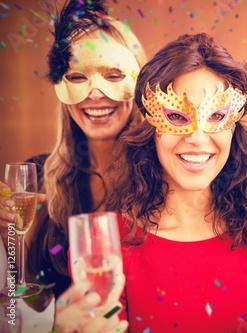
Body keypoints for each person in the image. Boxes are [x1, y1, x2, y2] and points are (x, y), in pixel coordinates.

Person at [103, 32, 247, 332]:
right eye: (177, 117)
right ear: (152, 126)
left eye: (217, 115)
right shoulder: (111, 239)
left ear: (233, 126)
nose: (197, 138)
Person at [0, 0, 147, 314]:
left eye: (113, 75)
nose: (95, 94)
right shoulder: (38, 178)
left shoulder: (161, 178)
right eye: (78, 77)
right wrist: (9, 237)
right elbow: (29, 306)